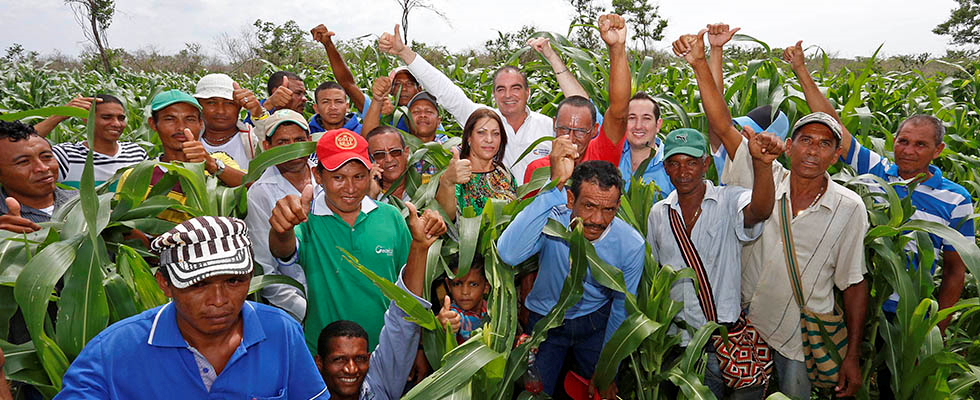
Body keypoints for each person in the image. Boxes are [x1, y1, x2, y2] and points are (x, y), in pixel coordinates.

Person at [678, 31, 870, 398]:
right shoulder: (761, 172)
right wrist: (701, 62)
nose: (813, 151)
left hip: (798, 336)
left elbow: (854, 283)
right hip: (744, 324)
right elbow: (721, 124)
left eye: (825, 144)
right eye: (806, 140)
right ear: (789, 145)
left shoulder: (849, 207)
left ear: (835, 155)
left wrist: (853, 355)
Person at [783, 40, 974, 335]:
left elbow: (954, 272)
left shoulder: (956, 198)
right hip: (860, 304)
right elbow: (834, 125)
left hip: (908, 312)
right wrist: (800, 70)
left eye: (921, 145)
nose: (908, 151)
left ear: (938, 150)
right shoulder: (877, 170)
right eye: (903, 141)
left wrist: (936, 330)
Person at [55, 216, 329, 399]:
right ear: (164, 283)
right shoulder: (113, 350)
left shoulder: (281, 331)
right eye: (199, 285)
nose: (219, 299)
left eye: (234, 281)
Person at [646, 126, 778, 398]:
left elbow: (760, 210)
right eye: (674, 163)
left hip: (721, 341)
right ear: (666, 168)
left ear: (706, 163)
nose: (683, 172)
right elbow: (653, 277)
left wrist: (762, 165)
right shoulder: (659, 214)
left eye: (691, 163)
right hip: (677, 343)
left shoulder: (729, 201)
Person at [497, 160, 644, 398]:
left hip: (595, 323)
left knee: (599, 391)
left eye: (609, 210)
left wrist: (608, 367)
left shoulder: (631, 245)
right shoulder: (553, 222)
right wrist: (550, 191)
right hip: (546, 323)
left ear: (618, 206)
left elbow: (621, 309)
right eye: (589, 206)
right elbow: (508, 253)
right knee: (536, 393)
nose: (597, 219)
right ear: (569, 199)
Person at [268, 128, 412, 350]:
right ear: (318, 176)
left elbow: (409, 286)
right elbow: (283, 251)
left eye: (359, 176)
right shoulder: (306, 221)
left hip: (387, 352)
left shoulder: (391, 216)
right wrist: (282, 229)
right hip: (325, 356)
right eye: (338, 177)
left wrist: (416, 346)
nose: (351, 188)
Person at [380, 24, 557, 181]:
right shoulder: (483, 118)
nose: (508, 95)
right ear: (493, 94)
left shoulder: (549, 127)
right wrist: (404, 52)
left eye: (516, 88)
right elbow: (444, 90)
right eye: (501, 89)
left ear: (528, 92)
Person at [314, 201, 445, 400]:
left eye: (360, 359)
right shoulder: (302, 392)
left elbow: (403, 318)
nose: (351, 369)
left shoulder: (379, 382)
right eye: (339, 359)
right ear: (319, 364)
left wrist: (419, 247)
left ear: (370, 360)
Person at [521, 14, 632, 184]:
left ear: (595, 130)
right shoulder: (537, 170)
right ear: (554, 125)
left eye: (580, 131)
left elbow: (619, 111)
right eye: (564, 129)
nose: (571, 138)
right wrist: (556, 178)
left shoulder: (601, 154)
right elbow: (533, 210)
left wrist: (617, 48)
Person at [117, 90, 243, 223]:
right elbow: (127, 226)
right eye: (170, 119)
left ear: (201, 124)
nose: (181, 127)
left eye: (190, 119)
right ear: (153, 124)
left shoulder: (220, 161)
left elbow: (251, 186)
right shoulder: (137, 176)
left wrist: (212, 165)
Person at [245, 109, 314, 321]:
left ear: (309, 141)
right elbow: (266, 271)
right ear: (267, 147)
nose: (292, 148)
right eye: (283, 142)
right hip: (299, 310)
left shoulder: (329, 177)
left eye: (299, 140)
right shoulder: (259, 193)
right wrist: (308, 314)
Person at [32, 94, 148, 188]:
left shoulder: (136, 153)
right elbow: (20, 143)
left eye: (121, 118)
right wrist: (60, 115)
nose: (116, 124)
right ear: (86, 119)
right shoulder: (66, 156)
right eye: (106, 117)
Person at [435, 109, 517, 219]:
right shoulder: (456, 174)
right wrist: (447, 182)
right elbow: (445, 219)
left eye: (495, 134)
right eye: (481, 132)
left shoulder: (503, 172)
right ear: (469, 136)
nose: (489, 139)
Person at [0, 120, 77, 234]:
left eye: (46, 157)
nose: (43, 168)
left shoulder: (82, 202)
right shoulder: (4, 222)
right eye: (24, 162)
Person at [193, 73, 262, 170]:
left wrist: (260, 114)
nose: (220, 111)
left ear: (239, 107)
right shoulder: (188, 140)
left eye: (229, 103)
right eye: (211, 102)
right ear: (198, 105)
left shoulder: (253, 141)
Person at [436, 255, 489, 344]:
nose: (465, 292)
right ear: (448, 285)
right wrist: (438, 324)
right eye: (457, 284)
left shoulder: (491, 310)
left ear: (486, 287)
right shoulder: (452, 315)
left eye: (473, 284)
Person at [365, 126, 411, 202]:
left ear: (406, 152)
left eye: (395, 152)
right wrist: (371, 197)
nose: (389, 159)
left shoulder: (425, 187)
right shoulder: (359, 195)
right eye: (379, 154)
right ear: (370, 159)